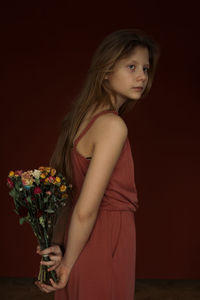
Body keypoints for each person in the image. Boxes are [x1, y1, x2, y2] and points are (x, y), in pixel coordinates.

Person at [35, 28, 160, 299]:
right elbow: (85, 209)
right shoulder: (112, 126)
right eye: (131, 66)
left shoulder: (78, 121)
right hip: (106, 239)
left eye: (146, 69)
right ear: (105, 71)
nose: (142, 76)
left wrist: (58, 247)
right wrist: (65, 265)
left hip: (75, 240)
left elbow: (65, 195)